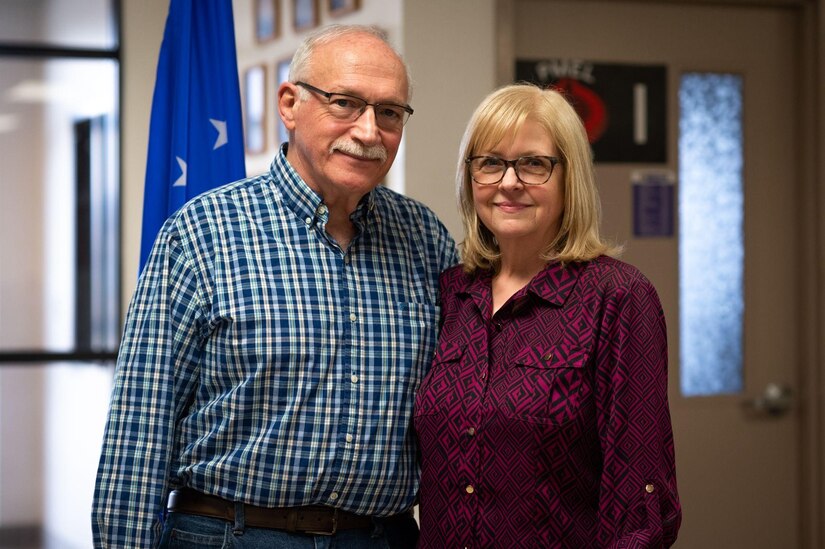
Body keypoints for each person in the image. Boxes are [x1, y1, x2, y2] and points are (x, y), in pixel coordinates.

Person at [93, 24, 457, 548]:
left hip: (382, 537)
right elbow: (140, 430)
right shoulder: (203, 232)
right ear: (289, 104)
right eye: (345, 103)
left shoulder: (425, 239)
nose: (369, 130)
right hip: (231, 533)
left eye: (390, 112)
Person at [414, 83, 681, 548]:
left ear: (569, 177)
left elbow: (641, 501)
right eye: (490, 163)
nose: (509, 182)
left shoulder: (617, 298)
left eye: (534, 163)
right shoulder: (450, 293)